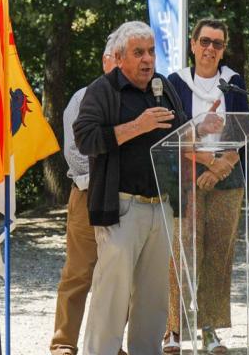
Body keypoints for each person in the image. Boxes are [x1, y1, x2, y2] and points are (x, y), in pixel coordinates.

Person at [74, 21, 188, 355]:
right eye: (139, 52)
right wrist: (136, 127)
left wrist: (199, 129)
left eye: (151, 51)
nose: (148, 59)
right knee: (112, 297)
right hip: (122, 208)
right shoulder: (103, 90)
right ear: (120, 57)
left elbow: (178, 131)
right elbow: (86, 139)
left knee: (153, 301)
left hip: (161, 206)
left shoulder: (162, 86)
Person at [163, 19, 249, 354]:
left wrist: (221, 166)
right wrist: (207, 161)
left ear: (223, 49)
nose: (210, 49)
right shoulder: (176, 83)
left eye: (218, 43)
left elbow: (241, 130)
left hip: (228, 179)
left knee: (218, 254)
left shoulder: (233, 83)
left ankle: (210, 329)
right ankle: (173, 329)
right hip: (186, 177)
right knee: (182, 254)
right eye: (205, 41)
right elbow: (171, 135)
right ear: (193, 43)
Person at [50, 35, 121, 355]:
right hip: (89, 195)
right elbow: (76, 154)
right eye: (119, 58)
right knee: (78, 273)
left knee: (120, 278)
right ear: (106, 60)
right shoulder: (84, 97)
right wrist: (107, 178)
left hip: (126, 198)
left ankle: (109, 344)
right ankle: (64, 342)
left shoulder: (140, 98)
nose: (125, 65)